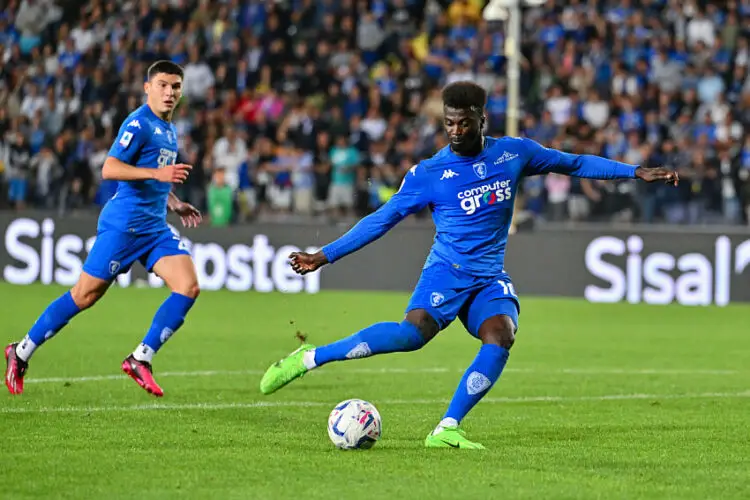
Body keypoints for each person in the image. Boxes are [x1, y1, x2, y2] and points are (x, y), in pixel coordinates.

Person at [258, 81, 678, 449]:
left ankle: (446, 428)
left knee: (502, 335)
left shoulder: (514, 154)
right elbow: (381, 219)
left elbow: (575, 163)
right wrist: (323, 254)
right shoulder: (430, 172)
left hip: (488, 277)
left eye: (463, 123)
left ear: (481, 119)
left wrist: (635, 171)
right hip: (446, 271)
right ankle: (312, 357)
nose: (455, 131)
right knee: (411, 336)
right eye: (449, 124)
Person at [4, 60, 202, 398]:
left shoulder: (169, 129)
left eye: (176, 87)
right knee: (84, 295)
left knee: (188, 286)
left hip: (154, 227)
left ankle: (141, 358)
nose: (170, 93)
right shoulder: (138, 123)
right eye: (163, 85)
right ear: (147, 87)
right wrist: (157, 176)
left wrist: (173, 201)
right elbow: (110, 169)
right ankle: (20, 351)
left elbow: (154, 175)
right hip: (124, 226)